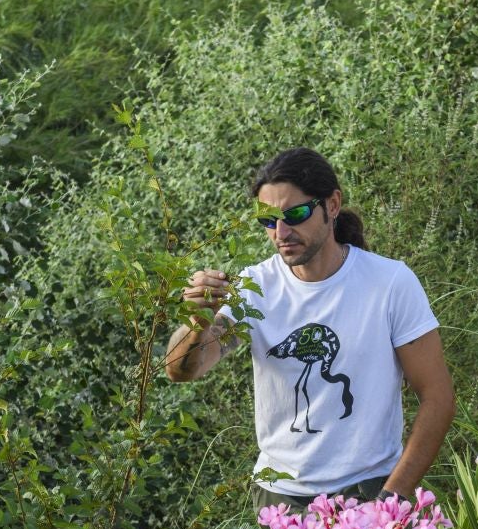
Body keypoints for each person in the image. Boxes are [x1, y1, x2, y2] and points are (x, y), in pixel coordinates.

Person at [165, 146, 456, 508]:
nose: (281, 232)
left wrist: (391, 500)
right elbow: (181, 371)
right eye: (268, 221)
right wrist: (198, 323)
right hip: (279, 500)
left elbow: (438, 397)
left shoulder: (389, 283)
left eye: (296, 214)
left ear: (332, 205)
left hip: (368, 494)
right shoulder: (255, 288)